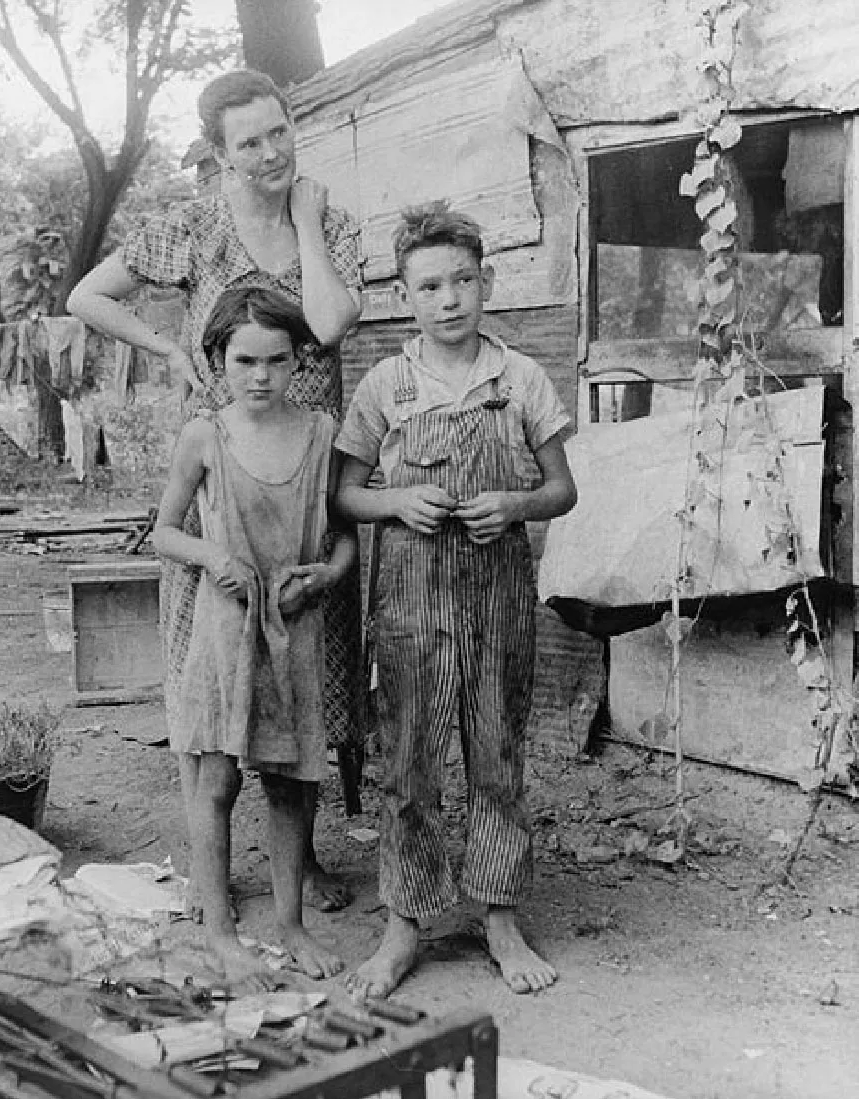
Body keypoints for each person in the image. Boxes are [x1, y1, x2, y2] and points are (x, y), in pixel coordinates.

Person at [67, 68, 363, 916]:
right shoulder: (194, 228)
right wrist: (164, 346)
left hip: (308, 475)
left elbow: (333, 324)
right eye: (249, 143)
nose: (271, 153)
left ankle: (297, 865)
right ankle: (213, 866)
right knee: (215, 660)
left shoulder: (330, 223)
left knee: (309, 660)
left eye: (279, 131)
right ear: (218, 154)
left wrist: (300, 219)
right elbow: (86, 294)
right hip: (222, 473)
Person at [334, 201, 578, 998]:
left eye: (463, 280)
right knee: (408, 763)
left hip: (499, 596)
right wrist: (396, 503)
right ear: (405, 295)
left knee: (497, 754)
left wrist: (513, 504)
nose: (449, 299)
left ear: (487, 282)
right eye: (430, 285)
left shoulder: (522, 379)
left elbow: (561, 489)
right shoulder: (385, 385)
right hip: (408, 601)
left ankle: (499, 915)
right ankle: (404, 926)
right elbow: (345, 495)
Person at [151, 284, 355, 986]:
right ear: (216, 360)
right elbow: (165, 531)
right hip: (225, 628)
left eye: (275, 359)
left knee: (292, 784)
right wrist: (213, 556)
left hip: (295, 626)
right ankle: (219, 931)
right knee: (218, 776)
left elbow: (347, 538)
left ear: (299, 359)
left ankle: (291, 924)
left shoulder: (322, 431)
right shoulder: (206, 435)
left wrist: (324, 576)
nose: (260, 375)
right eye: (244, 360)